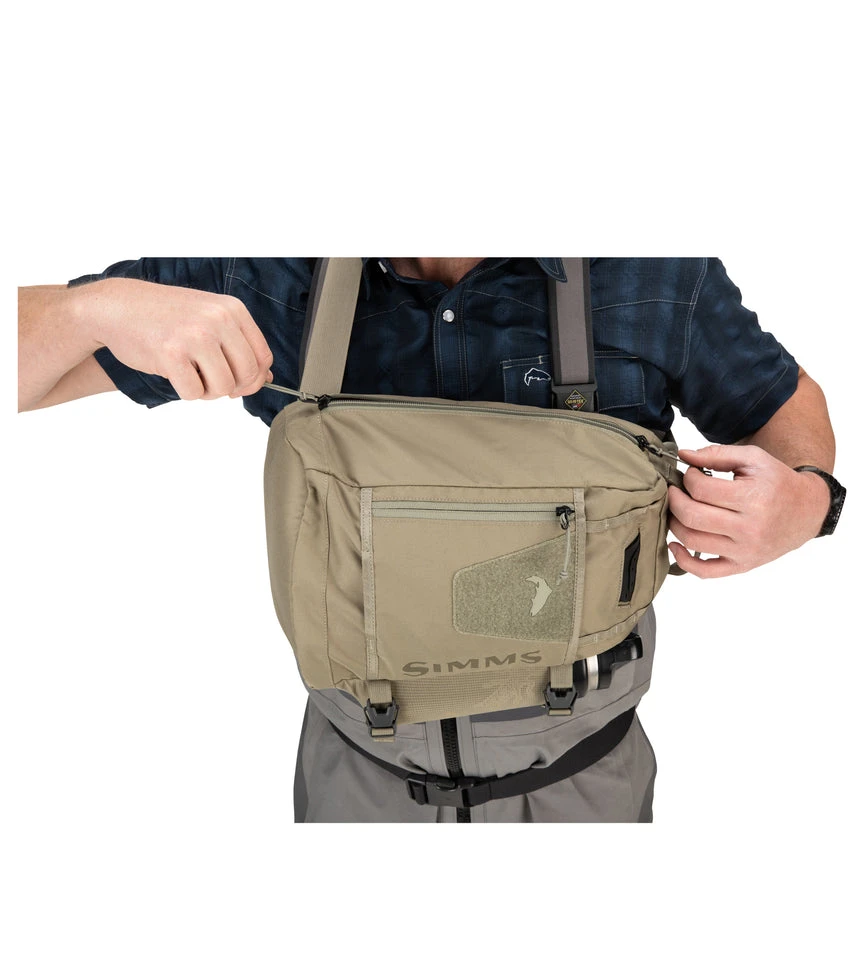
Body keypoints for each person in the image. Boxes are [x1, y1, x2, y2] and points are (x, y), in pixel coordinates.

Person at [17, 257, 842, 823]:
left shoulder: (649, 273)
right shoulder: (271, 276)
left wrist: (808, 500)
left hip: (583, 782)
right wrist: (92, 308)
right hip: (358, 781)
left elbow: (783, 404)